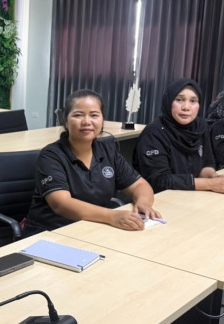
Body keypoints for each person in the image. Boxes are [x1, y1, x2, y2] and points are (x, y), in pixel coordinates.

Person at [23, 89, 161, 235]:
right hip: (51, 232)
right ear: (65, 120)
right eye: (78, 115)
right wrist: (112, 216)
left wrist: (143, 203)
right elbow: (61, 204)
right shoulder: (51, 156)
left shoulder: (107, 151)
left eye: (94, 115)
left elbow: (139, 185)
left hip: (92, 228)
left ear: (102, 120)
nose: (87, 122)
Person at [134, 79, 224, 194]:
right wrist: (210, 184)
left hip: (191, 195)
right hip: (159, 198)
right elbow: (160, 181)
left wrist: (216, 178)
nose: (186, 107)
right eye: (179, 100)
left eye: (193, 101)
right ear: (169, 101)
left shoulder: (200, 126)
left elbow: (207, 163)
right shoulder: (153, 133)